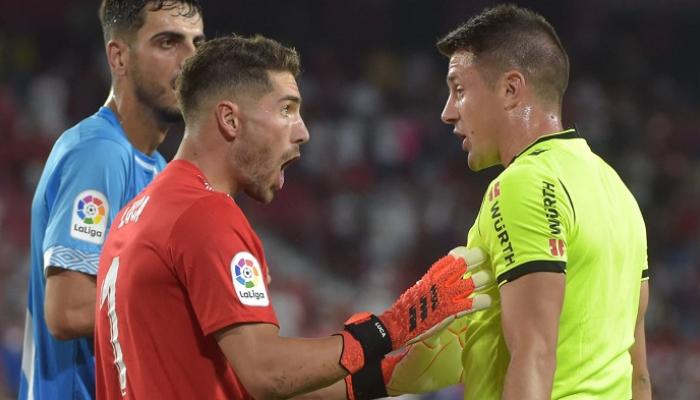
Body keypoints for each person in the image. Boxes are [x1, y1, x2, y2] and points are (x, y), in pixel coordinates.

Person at [93, 34, 492, 400]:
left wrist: (385, 377)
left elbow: (236, 379)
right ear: (230, 120)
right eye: (287, 110)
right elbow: (266, 373)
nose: (302, 131)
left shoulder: (136, 216)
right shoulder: (205, 214)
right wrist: (391, 326)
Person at [436, 4, 651, 399]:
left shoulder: (524, 183)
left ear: (510, 89)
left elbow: (533, 355)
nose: (448, 112)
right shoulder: (618, 191)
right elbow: (638, 374)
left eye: (459, 90)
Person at [20, 1, 204, 399]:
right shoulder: (99, 152)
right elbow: (67, 310)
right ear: (119, 57)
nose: (191, 60)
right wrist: (192, 301)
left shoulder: (156, 167)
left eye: (197, 43)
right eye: (168, 42)